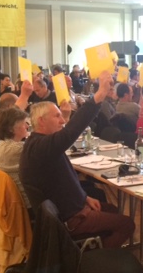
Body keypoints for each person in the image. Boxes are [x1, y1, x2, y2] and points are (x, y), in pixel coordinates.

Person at [19, 71, 135, 248]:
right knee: (127, 224)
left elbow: (63, 183)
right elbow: (71, 132)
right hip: (70, 219)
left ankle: (99, 247)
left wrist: (85, 198)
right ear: (41, 121)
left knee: (111, 209)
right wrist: (99, 95)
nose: (62, 121)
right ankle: (92, 258)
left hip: (69, 207)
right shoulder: (41, 147)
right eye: (57, 116)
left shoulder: (39, 143)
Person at [0, 107, 31, 208]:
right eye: (24, 123)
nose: (27, 126)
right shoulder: (18, 149)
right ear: (11, 129)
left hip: (6, 201)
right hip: (24, 202)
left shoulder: (2, 144)